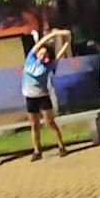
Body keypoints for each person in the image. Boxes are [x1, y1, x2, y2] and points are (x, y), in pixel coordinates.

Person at [22, 29, 71, 161]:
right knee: (34, 125)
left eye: (45, 54)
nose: (42, 55)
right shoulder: (30, 59)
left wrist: (67, 41)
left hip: (43, 96)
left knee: (50, 122)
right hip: (30, 97)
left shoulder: (48, 65)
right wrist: (53, 34)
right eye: (41, 53)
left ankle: (61, 147)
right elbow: (40, 44)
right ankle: (37, 151)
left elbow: (60, 54)